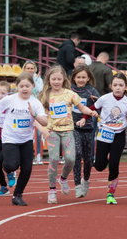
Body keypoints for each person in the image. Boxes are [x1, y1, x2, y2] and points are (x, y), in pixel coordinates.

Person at [0, 72, 48, 206]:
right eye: (21, 86)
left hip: (26, 139)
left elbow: (44, 122)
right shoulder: (10, 99)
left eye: (27, 85)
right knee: (11, 165)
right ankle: (8, 168)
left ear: (32, 86)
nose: (24, 88)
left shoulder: (35, 103)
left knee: (27, 169)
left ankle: (17, 195)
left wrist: (35, 114)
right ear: (17, 87)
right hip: (9, 138)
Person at [38, 65, 97, 204]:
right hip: (52, 131)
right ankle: (52, 190)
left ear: (64, 79)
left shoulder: (70, 94)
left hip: (68, 130)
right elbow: (40, 114)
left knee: (71, 158)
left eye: (59, 79)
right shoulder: (44, 95)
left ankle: (63, 178)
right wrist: (43, 128)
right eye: (54, 79)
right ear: (49, 79)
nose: (56, 82)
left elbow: (81, 107)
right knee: (53, 159)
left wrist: (91, 112)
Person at [93, 72, 127, 205]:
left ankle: (111, 193)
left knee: (114, 163)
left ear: (126, 87)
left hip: (119, 134)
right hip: (105, 133)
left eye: (121, 85)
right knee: (99, 166)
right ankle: (100, 159)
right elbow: (91, 109)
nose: (118, 88)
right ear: (111, 86)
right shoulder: (104, 98)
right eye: (115, 85)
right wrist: (85, 117)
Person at [70, 66, 99, 198]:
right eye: (78, 77)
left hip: (88, 128)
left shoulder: (91, 91)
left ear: (88, 78)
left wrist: (96, 101)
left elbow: (99, 107)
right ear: (74, 78)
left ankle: (85, 180)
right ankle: (77, 185)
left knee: (88, 159)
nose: (81, 80)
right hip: (73, 127)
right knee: (77, 154)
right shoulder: (68, 91)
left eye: (83, 77)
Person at [22, 61, 45, 164]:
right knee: (25, 131)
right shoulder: (21, 79)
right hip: (23, 107)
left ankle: (38, 154)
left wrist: (35, 81)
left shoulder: (38, 79)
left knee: (38, 132)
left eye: (32, 68)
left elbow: (40, 90)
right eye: (28, 68)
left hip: (36, 106)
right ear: (24, 69)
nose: (30, 70)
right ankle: (26, 154)